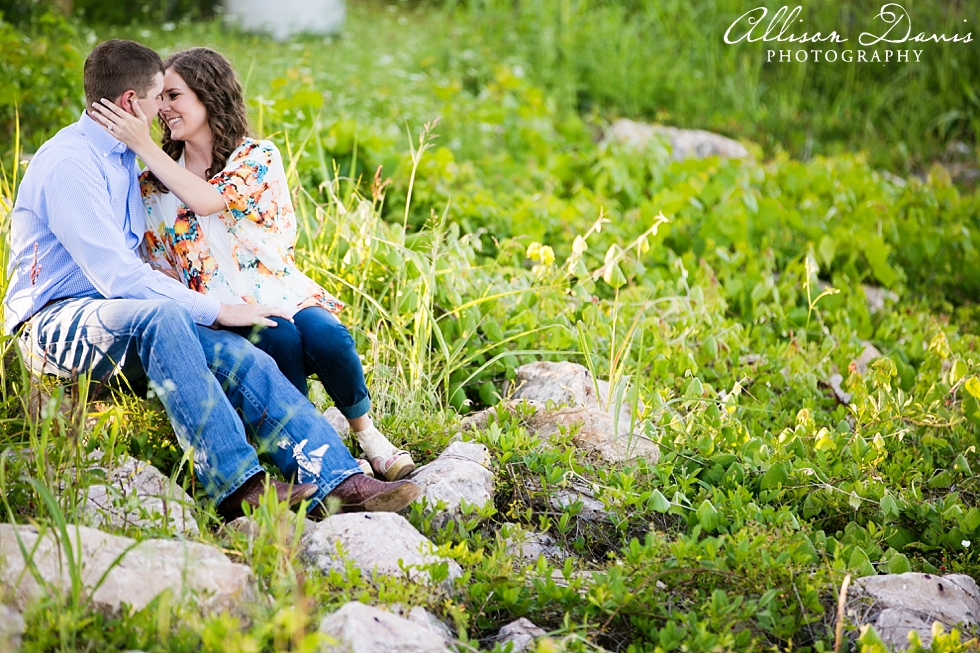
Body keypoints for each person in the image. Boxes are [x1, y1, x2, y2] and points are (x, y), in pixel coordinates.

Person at [5, 38, 420, 521]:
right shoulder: (71, 164)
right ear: (129, 104)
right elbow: (119, 276)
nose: (162, 109)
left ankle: (339, 479)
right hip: (54, 321)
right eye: (159, 96)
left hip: (127, 315)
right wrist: (220, 309)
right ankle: (239, 485)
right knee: (164, 315)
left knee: (243, 355)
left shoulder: (123, 162)